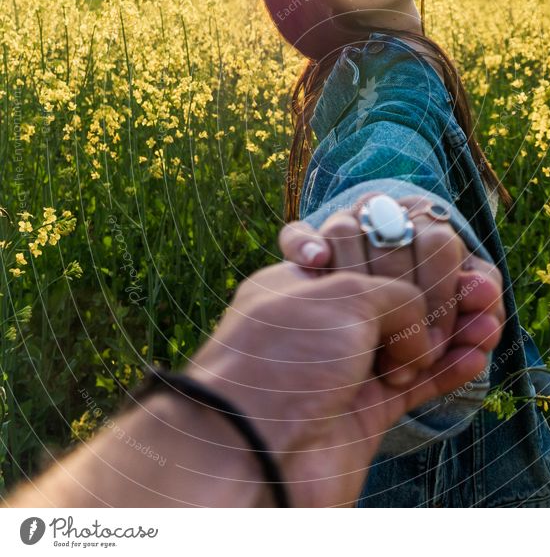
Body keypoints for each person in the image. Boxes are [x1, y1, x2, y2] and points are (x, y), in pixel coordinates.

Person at [251, 0, 550, 507]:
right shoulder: (392, 82)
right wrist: (390, 226)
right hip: (446, 486)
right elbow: (387, 154)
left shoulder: (363, 72)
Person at [5, 193, 505, 509]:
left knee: (356, 183)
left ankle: (374, 104)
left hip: (393, 366)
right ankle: (401, 102)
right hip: (423, 369)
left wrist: (238, 411)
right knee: (394, 156)